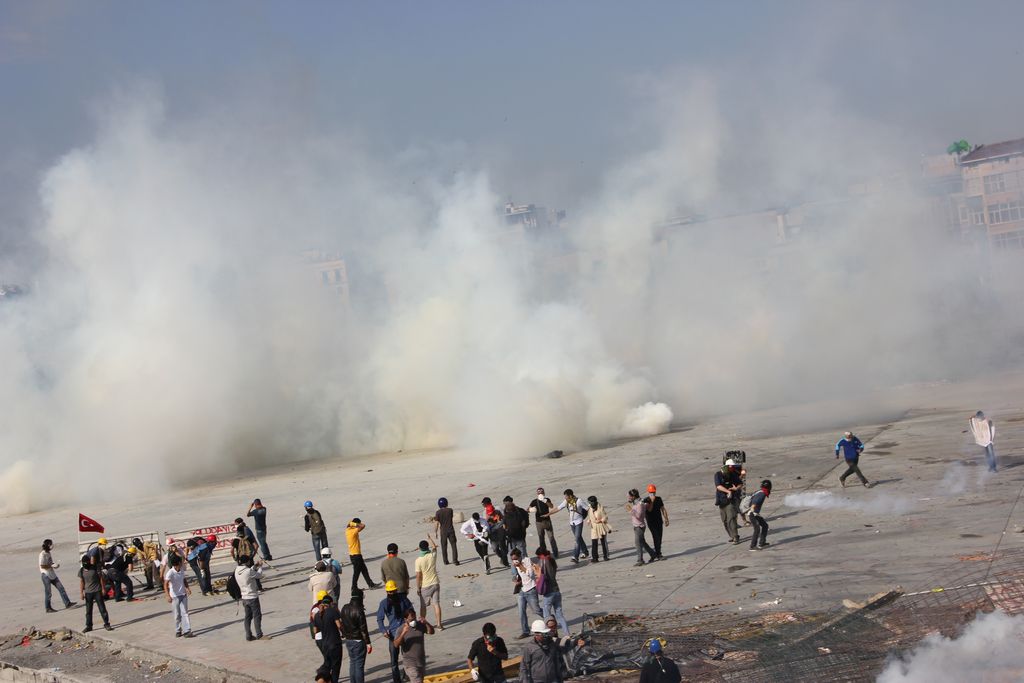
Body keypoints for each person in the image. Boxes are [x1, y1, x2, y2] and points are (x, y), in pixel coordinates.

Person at [377, 581, 415, 683]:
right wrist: (383, 631)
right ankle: (396, 680)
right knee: (394, 661)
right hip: (393, 635)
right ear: (387, 592)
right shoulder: (384, 603)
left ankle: (407, 675)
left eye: (393, 591)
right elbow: (379, 619)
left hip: (406, 632)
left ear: (396, 590)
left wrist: (410, 621)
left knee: (408, 657)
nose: (391, 594)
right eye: (389, 592)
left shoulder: (403, 600)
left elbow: (411, 610)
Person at [393, 606, 435, 683]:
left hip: (421, 662)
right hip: (410, 664)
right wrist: (403, 633)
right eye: (411, 619)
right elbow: (395, 644)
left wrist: (426, 623)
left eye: (414, 618)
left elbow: (431, 632)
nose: (413, 621)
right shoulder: (400, 629)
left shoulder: (420, 625)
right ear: (405, 619)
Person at [546, 489, 589, 563]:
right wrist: (548, 514)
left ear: (570, 496)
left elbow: (588, 509)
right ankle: (585, 552)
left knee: (577, 539)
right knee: (579, 538)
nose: (565, 498)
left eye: (566, 496)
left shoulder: (579, 501)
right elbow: (558, 508)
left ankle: (575, 557)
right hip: (572, 523)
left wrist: (591, 518)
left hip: (579, 522)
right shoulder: (567, 501)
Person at [340, 588, 373, 683]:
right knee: (359, 665)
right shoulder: (359, 610)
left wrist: (345, 635)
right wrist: (368, 643)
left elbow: (342, 625)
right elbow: (363, 629)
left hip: (348, 640)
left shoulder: (344, 607)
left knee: (352, 663)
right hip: (358, 641)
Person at [510, 548, 543, 639]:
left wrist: (520, 565)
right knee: (521, 612)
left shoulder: (527, 560)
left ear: (520, 556)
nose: (514, 561)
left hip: (531, 589)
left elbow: (530, 574)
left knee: (536, 610)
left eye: (516, 558)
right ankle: (525, 631)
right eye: (513, 559)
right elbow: (517, 575)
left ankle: (549, 619)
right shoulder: (515, 564)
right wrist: (515, 579)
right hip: (522, 590)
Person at [536, 548, 570, 635]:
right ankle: (567, 634)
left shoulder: (544, 561)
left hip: (549, 592)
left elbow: (542, 575)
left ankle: (550, 635)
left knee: (547, 616)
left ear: (541, 555)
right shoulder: (551, 560)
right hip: (557, 591)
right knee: (560, 615)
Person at [234, 554, 268, 641]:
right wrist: (260, 567)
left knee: (248, 617)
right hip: (252, 596)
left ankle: (248, 635)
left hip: (244, 597)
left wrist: (255, 566)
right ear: (247, 561)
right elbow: (259, 575)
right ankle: (259, 634)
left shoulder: (237, 570)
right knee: (257, 616)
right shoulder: (248, 571)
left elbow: (249, 572)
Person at [313, 593, 344, 683]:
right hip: (335, 644)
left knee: (327, 665)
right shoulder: (332, 611)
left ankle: (321, 679)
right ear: (330, 603)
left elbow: (315, 631)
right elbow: (339, 625)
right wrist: (343, 633)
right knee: (336, 667)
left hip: (325, 644)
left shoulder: (317, 615)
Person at [39, 539, 75, 613]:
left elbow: (50, 562)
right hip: (46, 575)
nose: (52, 546)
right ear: (48, 545)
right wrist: (51, 566)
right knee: (48, 592)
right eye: (51, 544)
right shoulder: (42, 554)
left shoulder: (48, 553)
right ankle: (48, 608)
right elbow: (42, 566)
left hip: (52, 574)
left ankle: (67, 603)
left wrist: (54, 565)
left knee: (61, 588)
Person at [415, 537, 443, 629]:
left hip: (425, 585)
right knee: (436, 604)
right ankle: (439, 624)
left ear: (419, 548)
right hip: (435, 583)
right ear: (427, 547)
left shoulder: (418, 560)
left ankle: (422, 624)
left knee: (423, 607)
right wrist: (430, 539)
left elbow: (418, 576)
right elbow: (434, 547)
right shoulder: (432, 555)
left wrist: (418, 588)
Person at [78, 555, 112, 632]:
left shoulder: (95, 568)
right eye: (84, 563)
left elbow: (101, 579)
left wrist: (103, 589)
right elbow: (81, 582)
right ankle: (89, 626)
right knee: (88, 611)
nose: (85, 564)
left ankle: (107, 624)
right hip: (88, 593)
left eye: (86, 562)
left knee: (102, 609)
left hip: (97, 591)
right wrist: (81, 593)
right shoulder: (81, 570)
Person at [163, 554, 194, 638]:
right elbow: (165, 584)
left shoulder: (182, 570)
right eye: (181, 562)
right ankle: (178, 630)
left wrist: (187, 588)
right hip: (175, 596)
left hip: (183, 595)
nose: (182, 563)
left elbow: (184, 579)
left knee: (185, 613)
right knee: (177, 614)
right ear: (178, 563)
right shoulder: (170, 573)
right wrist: (167, 595)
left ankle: (187, 630)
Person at [346, 519, 381, 590]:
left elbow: (349, 524)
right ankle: (354, 587)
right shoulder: (353, 531)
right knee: (356, 572)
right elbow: (363, 526)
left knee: (364, 570)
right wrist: (356, 524)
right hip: (356, 556)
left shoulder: (347, 530)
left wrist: (352, 524)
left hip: (354, 555)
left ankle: (371, 584)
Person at [714, 460, 743, 544]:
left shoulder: (733, 474)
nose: (732, 468)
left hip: (731, 500)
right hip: (722, 500)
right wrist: (728, 491)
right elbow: (718, 486)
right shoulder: (718, 475)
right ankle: (731, 535)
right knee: (725, 520)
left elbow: (740, 483)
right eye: (730, 466)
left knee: (731, 518)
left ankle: (735, 536)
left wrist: (736, 488)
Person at [626, 489, 657, 566]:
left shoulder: (639, 504)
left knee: (638, 543)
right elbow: (646, 506)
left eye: (630, 496)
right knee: (642, 542)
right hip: (638, 526)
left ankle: (640, 560)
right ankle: (653, 554)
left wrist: (631, 511)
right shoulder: (639, 502)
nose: (628, 497)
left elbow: (639, 516)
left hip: (639, 526)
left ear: (633, 496)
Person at [503, 496, 531, 577]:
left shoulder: (506, 516)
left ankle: (515, 573)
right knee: (523, 554)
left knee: (511, 555)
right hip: (520, 537)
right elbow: (524, 523)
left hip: (511, 538)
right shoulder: (519, 513)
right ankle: (526, 569)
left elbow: (504, 527)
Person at [528, 487, 559, 558]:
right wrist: (531, 509)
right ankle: (544, 553)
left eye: (541, 493)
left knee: (551, 537)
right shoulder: (534, 501)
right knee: (541, 538)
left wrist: (545, 501)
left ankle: (555, 553)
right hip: (539, 522)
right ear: (537, 494)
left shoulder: (547, 499)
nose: (540, 494)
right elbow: (528, 509)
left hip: (547, 521)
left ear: (544, 493)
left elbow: (551, 506)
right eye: (539, 493)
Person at [645, 485, 669, 560]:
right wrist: (651, 501)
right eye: (651, 492)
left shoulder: (659, 499)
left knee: (659, 537)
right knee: (656, 537)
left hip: (659, 521)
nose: (653, 494)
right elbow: (649, 510)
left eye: (653, 492)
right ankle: (658, 554)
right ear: (648, 492)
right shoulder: (646, 500)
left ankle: (657, 553)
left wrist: (666, 518)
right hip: (651, 523)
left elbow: (663, 509)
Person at [584, 495, 611, 562]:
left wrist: (601, 520)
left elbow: (605, 517)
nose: (589, 504)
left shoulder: (600, 508)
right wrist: (589, 520)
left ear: (594, 502)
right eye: (589, 502)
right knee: (594, 542)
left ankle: (606, 556)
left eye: (590, 502)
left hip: (601, 526)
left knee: (603, 542)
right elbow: (590, 516)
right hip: (593, 527)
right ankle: (595, 558)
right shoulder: (589, 508)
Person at [433, 497, 460, 566]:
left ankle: (445, 561)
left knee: (444, 546)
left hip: (443, 531)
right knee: (454, 545)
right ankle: (455, 560)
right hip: (451, 530)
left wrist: (435, 532)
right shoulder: (450, 510)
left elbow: (436, 523)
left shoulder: (438, 512)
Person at [748, 480, 773, 551]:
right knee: (757, 529)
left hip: (755, 513)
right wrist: (752, 511)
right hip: (753, 513)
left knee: (765, 526)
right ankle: (752, 546)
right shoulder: (762, 493)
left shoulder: (761, 491)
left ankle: (762, 543)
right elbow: (755, 502)